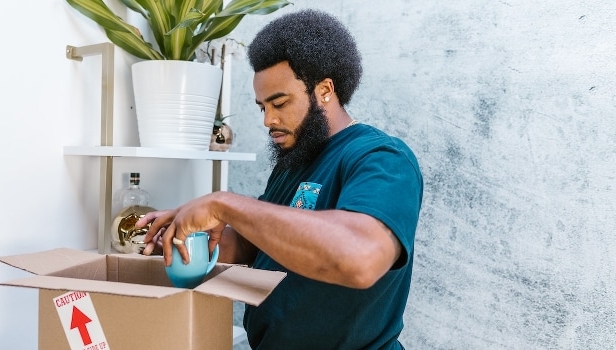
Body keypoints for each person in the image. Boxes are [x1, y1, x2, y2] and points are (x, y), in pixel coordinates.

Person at [137, 9, 423, 350]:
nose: (268, 119)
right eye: (262, 107)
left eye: (280, 102)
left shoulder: (382, 159)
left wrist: (224, 204)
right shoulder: (294, 162)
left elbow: (360, 258)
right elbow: (257, 247)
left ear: (325, 90)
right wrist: (188, 238)